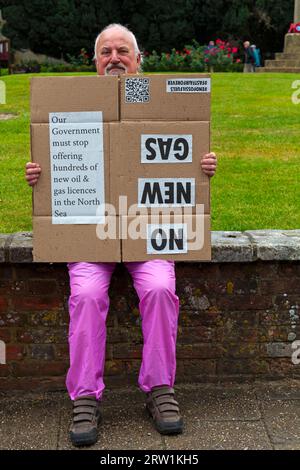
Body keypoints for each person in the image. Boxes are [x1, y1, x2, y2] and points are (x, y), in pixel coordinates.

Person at [25, 23, 218, 447]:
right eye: (106, 52)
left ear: (138, 58)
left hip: (145, 231)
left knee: (160, 288)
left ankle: (159, 388)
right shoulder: (73, 107)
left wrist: (199, 168)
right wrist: (40, 175)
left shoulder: (159, 105)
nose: (114, 58)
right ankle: (86, 397)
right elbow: (53, 161)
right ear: (94, 62)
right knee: (88, 296)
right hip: (89, 236)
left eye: (122, 51)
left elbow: (183, 153)